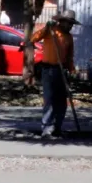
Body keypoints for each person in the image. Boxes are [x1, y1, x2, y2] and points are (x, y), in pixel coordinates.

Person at [31, 10, 77, 138]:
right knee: (49, 99)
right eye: (69, 23)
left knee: (61, 101)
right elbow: (33, 38)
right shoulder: (50, 31)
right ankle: (47, 129)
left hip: (62, 71)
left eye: (72, 24)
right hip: (49, 69)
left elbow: (69, 57)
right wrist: (46, 28)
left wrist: (72, 71)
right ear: (61, 22)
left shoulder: (69, 37)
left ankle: (57, 127)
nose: (70, 26)